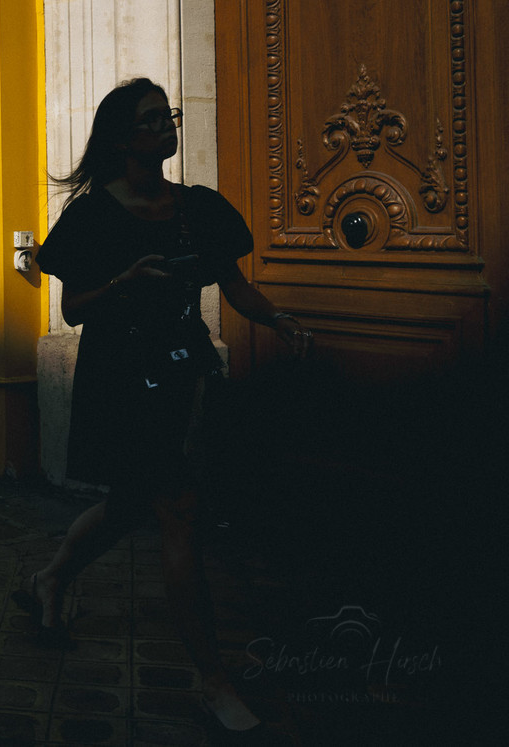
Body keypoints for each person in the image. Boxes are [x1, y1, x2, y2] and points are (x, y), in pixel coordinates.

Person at [17, 78, 311, 740]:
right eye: (153, 118)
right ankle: (213, 679)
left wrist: (279, 317)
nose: (167, 125)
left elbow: (235, 285)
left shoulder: (197, 208)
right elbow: (70, 307)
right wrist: (125, 282)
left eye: (169, 114)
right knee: (177, 509)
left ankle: (51, 575)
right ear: (125, 138)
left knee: (132, 504)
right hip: (120, 380)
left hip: (183, 378)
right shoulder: (94, 214)